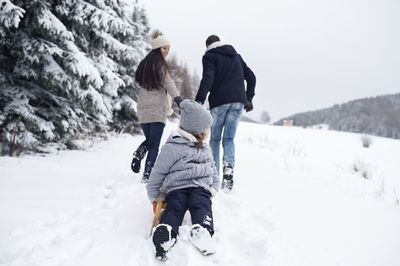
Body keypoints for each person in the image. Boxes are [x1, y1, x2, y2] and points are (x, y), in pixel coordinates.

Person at [146, 99, 219, 261]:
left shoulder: (205, 148)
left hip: (200, 187)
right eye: (206, 128)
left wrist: (214, 187)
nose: (208, 131)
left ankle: (203, 231)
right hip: (177, 187)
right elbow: (158, 172)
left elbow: (213, 169)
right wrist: (154, 196)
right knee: (175, 205)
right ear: (196, 129)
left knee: (201, 203)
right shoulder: (173, 147)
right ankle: (166, 231)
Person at [195, 35, 256, 190]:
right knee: (229, 139)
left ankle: (214, 174)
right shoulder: (236, 56)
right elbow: (251, 77)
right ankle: (228, 167)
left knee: (215, 139)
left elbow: (207, 79)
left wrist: (199, 101)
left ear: (207, 45)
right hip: (238, 103)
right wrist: (249, 98)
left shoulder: (210, 56)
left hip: (219, 102)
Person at [131, 30, 179, 183]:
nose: (167, 52)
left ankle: (140, 154)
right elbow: (168, 83)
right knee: (154, 144)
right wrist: (178, 98)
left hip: (143, 108)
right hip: (157, 108)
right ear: (158, 48)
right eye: (164, 48)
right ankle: (147, 175)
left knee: (150, 140)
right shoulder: (160, 66)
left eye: (168, 49)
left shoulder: (144, 65)